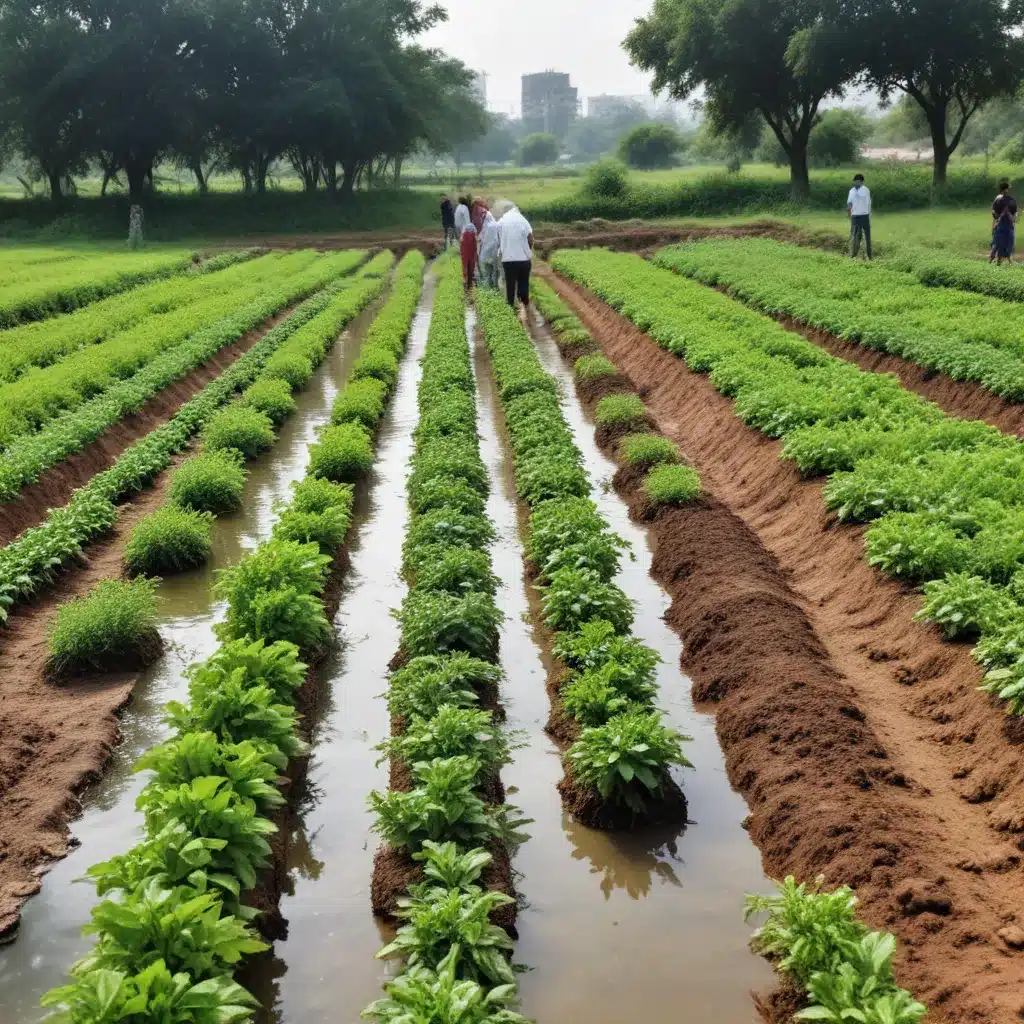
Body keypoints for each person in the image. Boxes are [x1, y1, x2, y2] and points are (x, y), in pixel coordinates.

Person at [498, 204, 534, 308]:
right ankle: (525, 303)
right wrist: (528, 251)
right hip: (523, 259)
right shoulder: (522, 220)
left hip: (508, 259)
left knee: (510, 283)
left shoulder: (502, 221)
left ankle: (510, 305)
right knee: (524, 281)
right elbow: (530, 238)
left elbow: (497, 236)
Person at [991, 180, 1018, 264]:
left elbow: (994, 212)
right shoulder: (1009, 199)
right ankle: (998, 260)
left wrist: (995, 221)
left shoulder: (1000, 199)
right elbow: (994, 212)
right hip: (1004, 225)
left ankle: (1001, 260)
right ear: (1005, 189)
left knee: (1003, 243)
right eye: (1007, 188)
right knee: (1003, 243)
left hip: (1004, 225)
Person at [847, 173, 872, 260]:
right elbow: (849, 202)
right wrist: (849, 211)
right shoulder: (851, 191)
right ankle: (853, 255)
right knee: (855, 236)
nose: (856, 183)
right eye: (855, 182)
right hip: (855, 217)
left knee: (867, 237)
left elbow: (867, 202)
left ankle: (869, 256)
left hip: (864, 216)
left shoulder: (865, 190)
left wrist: (869, 214)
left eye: (858, 182)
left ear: (862, 182)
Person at [479, 209, 501, 290]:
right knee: (495, 271)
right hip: (494, 252)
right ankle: (496, 287)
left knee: (488, 271)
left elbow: (481, 239)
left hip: (486, 252)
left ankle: (489, 287)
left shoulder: (485, 226)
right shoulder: (497, 225)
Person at [460, 220, 478, 291]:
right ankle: (470, 284)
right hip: (471, 253)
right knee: (471, 267)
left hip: (465, 254)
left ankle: (465, 281)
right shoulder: (473, 234)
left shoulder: (463, 235)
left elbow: (461, 245)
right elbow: (475, 246)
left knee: (465, 266)